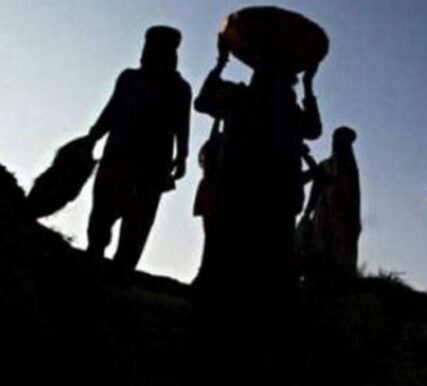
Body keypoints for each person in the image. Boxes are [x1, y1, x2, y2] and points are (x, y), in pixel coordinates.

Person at [193, 34, 322, 296]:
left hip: (268, 198)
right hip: (242, 194)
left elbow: (313, 129)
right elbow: (202, 102)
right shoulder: (242, 97)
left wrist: (220, 64)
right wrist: (220, 63)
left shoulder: (281, 109)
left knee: (262, 270)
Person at [85, 26, 191, 272]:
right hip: (119, 155)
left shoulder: (179, 88)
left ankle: (122, 269)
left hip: (153, 165)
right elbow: (111, 111)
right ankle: (94, 256)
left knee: (138, 222)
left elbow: (182, 125)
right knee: (103, 212)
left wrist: (182, 156)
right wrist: (93, 136)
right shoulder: (130, 79)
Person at [302, 126, 361, 277]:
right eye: (339, 141)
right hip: (323, 218)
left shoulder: (350, 170)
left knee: (340, 258)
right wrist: (307, 213)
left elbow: (354, 199)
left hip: (343, 221)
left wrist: (354, 221)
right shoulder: (326, 166)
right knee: (321, 251)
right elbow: (314, 187)